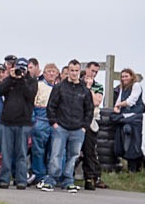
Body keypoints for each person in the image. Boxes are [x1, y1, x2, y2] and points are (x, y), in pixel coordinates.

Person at [38, 59, 93, 193]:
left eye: (76, 71)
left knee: (73, 155)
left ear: (80, 72)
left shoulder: (84, 91)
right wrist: (54, 123)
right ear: (68, 71)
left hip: (78, 129)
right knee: (56, 154)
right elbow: (51, 106)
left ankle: (68, 181)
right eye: (71, 70)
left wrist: (84, 127)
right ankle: (51, 180)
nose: (74, 73)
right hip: (61, 127)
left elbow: (89, 110)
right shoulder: (59, 87)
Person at [0, 58, 37, 189]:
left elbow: (30, 95)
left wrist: (22, 80)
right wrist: (11, 78)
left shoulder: (32, 82)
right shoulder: (10, 80)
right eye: (19, 68)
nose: (21, 71)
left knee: (22, 153)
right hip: (7, 122)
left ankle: (21, 180)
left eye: (24, 69)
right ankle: (4, 179)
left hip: (23, 122)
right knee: (6, 153)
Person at [111, 68, 145, 172]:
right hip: (125, 117)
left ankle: (135, 166)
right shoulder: (123, 88)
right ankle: (135, 163)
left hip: (134, 117)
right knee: (124, 139)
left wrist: (119, 105)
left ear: (131, 76)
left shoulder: (136, 86)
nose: (124, 78)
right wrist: (116, 107)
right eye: (122, 76)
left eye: (126, 76)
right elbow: (119, 99)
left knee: (134, 141)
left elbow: (131, 101)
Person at [31, 62, 59, 185]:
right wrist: (34, 120)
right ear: (44, 73)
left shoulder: (60, 87)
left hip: (55, 122)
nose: (51, 73)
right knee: (38, 150)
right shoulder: (39, 85)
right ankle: (39, 175)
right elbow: (32, 103)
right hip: (40, 119)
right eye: (49, 71)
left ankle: (52, 176)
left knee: (54, 151)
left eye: (54, 71)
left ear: (57, 74)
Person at [81, 61, 107, 190]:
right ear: (86, 69)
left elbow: (96, 101)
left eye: (96, 72)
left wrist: (89, 88)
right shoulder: (77, 82)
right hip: (76, 120)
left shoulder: (98, 86)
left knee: (89, 151)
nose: (94, 73)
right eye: (92, 70)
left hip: (91, 121)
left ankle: (90, 178)